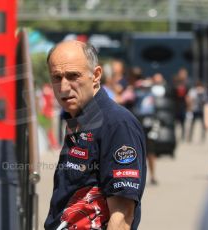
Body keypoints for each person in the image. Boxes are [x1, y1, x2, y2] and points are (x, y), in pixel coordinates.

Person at [44, 40, 146, 230]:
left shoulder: (117, 124)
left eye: (73, 76)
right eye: (56, 77)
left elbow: (122, 217)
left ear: (96, 75)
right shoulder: (78, 118)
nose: (64, 87)